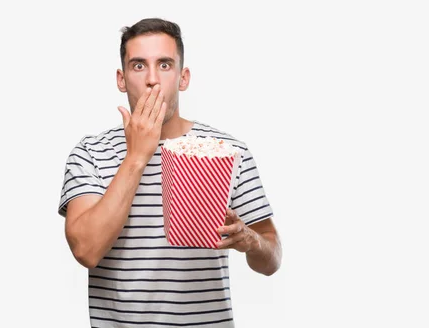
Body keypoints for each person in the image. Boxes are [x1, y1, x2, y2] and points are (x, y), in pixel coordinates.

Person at [58, 17, 282, 327]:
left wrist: (250, 241)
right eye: (139, 66)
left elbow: (272, 258)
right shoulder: (90, 153)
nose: (152, 79)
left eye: (164, 65)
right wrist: (137, 156)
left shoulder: (229, 150)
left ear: (183, 77)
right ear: (121, 80)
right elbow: (86, 250)